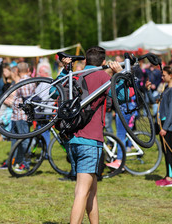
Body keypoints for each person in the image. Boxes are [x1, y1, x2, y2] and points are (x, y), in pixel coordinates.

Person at [61, 46, 123, 224]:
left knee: (91, 190)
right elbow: (123, 97)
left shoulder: (76, 75)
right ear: (103, 62)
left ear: (85, 61)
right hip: (90, 140)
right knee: (82, 190)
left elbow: (53, 92)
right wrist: (118, 75)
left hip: (72, 140)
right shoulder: (104, 77)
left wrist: (65, 69)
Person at [0, 62, 35, 170]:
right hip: (17, 115)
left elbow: (26, 99)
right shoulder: (30, 81)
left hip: (22, 116)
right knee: (15, 141)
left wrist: (12, 102)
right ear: (28, 70)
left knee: (24, 141)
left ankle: (25, 163)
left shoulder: (24, 82)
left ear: (18, 71)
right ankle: (15, 161)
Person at [149, 66, 172, 187]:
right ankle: (167, 176)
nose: (162, 77)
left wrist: (165, 128)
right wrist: (147, 90)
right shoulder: (166, 88)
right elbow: (154, 100)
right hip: (162, 126)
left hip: (168, 128)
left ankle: (170, 178)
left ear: (171, 76)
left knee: (168, 153)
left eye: (164, 75)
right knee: (166, 152)